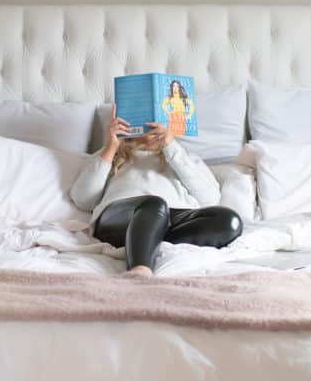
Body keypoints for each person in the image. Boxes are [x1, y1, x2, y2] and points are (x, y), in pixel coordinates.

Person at [70, 105, 242, 275]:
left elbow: (210, 198)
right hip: (120, 218)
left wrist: (171, 147)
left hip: (171, 217)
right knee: (154, 204)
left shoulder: (183, 156)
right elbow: (83, 199)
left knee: (229, 220)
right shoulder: (109, 153)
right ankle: (140, 269)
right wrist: (112, 146)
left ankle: (147, 242)